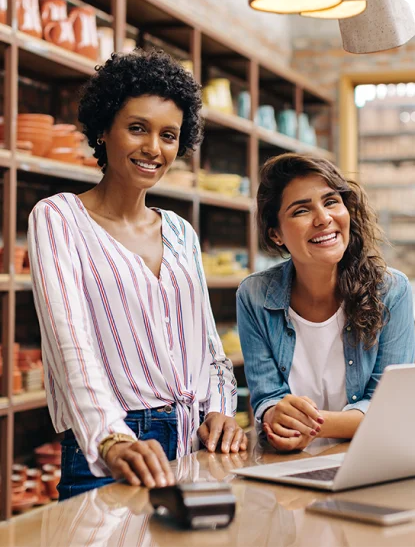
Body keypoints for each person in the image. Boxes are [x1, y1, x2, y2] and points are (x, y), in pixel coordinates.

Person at [28, 48, 247, 500]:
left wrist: (224, 410)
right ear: (104, 130)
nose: (154, 148)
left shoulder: (181, 231)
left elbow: (208, 345)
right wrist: (111, 437)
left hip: (195, 443)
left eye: (169, 135)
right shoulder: (58, 218)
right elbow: (70, 344)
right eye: (137, 128)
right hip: (113, 446)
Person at [236, 153, 415, 452]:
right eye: (301, 211)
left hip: (368, 459)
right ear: (276, 234)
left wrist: (310, 425)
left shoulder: (391, 290)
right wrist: (274, 414)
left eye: (331, 201)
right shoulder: (254, 295)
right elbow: (267, 399)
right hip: (286, 466)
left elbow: (390, 408)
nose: (323, 219)